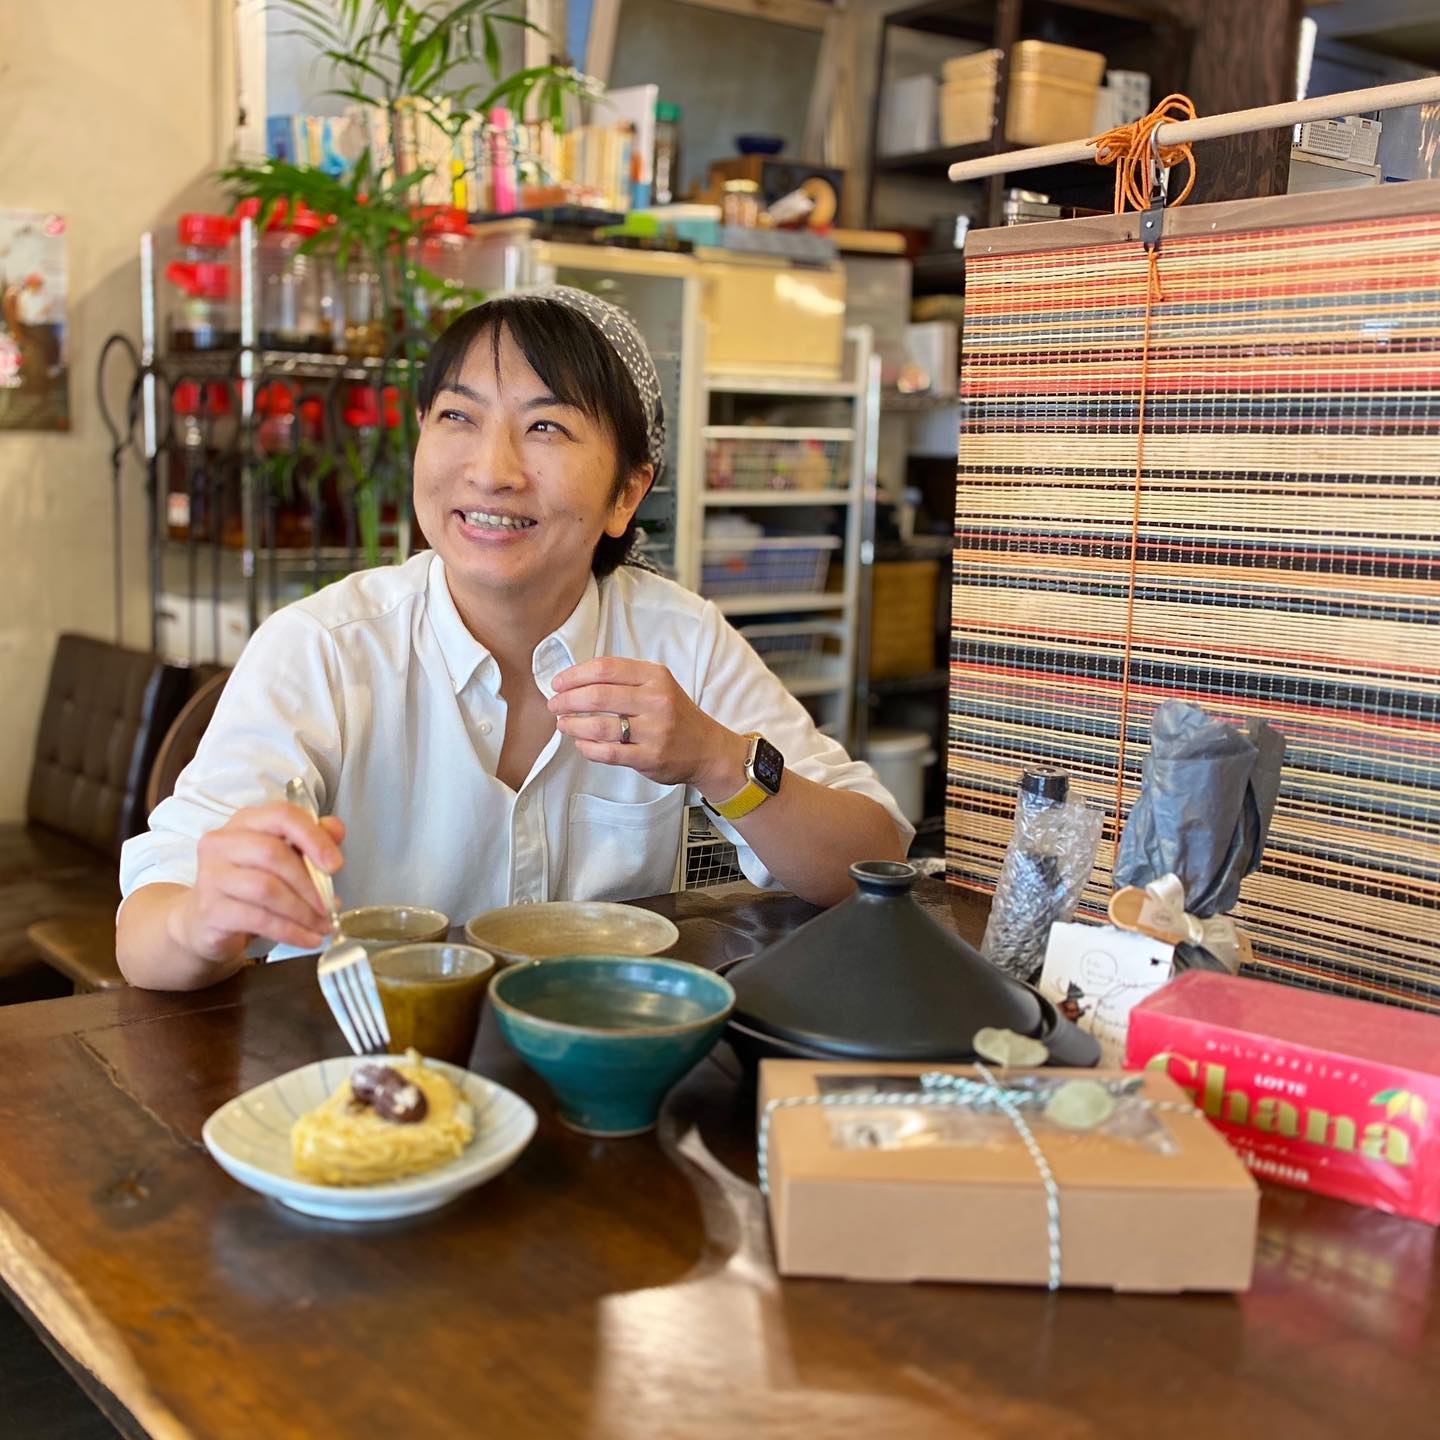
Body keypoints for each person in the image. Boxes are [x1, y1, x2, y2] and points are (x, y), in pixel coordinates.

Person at [117, 287, 911, 991]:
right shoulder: (324, 648)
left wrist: (718, 758)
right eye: (459, 417)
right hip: (363, 1081)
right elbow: (145, 937)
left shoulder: (678, 637)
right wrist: (201, 920)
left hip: (594, 1068)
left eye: (547, 428)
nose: (492, 470)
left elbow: (869, 858)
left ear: (625, 492)